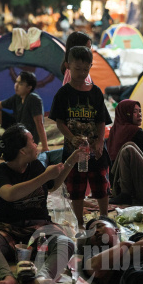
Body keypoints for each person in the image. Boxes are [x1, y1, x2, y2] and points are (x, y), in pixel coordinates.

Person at [0, 124, 81, 284]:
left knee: (66, 242)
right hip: (9, 229)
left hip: (40, 229)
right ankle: (7, 277)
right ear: (22, 151)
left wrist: (71, 161)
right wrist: (45, 176)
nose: (36, 144)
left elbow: (52, 185)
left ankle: (43, 277)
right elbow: (10, 194)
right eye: (32, 141)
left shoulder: (36, 166)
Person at [50, 46, 112, 225]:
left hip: (96, 150)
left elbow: (101, 121)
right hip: (73, 152)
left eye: (86, 69)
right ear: (68, 66)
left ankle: (104, 218)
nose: (82, 73)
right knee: (75, 187)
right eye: (78, 69)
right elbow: (60, 122)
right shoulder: (63, 93)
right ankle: (79, 221)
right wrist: (71, 137)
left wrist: (99, 142)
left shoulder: (95, 92)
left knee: (101, 185)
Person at [0, 71, 49, 153]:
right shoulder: (18, 97)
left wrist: (45, 147)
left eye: (21, 84)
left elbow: (39, 123)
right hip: (17, 131)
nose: (16, 85)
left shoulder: (34, 99)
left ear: (29, 88)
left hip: (26, 138)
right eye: (16, 82)